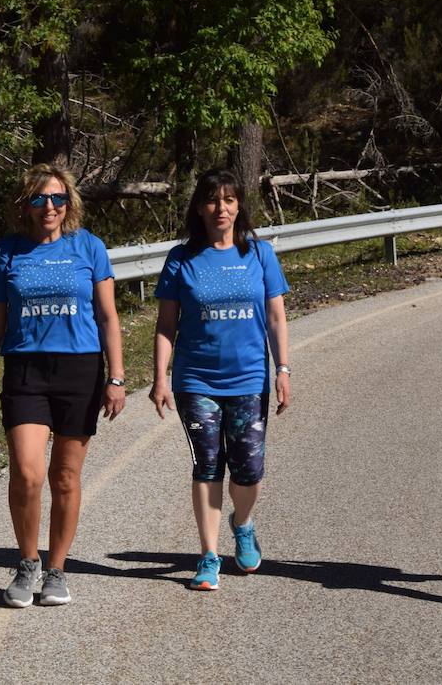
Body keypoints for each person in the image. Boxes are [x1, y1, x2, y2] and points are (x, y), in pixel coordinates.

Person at [0, 163, 126, 608]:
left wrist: (116, 377)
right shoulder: (7, 252)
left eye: (58, 198)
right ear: (25, 205)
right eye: (40, 198)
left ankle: (56, 569)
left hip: (80, 370)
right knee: (26, 472)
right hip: (25, 371)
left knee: (65, 476)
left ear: (69, 204)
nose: (50, 207)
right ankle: (27, 562)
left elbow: (107, 317)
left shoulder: (89, 247)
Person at [151, 168, 291, 591]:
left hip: (249, 378)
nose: (221, 208)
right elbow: (165, 324)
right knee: (207, 464)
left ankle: (242, 524)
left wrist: (282, 369)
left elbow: (275, 316)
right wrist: (160, 377)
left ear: (239, 206)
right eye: (213, 200)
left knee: (248, 468)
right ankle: (209, 555)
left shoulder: (259, 253)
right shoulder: (181, 259)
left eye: (229, 200)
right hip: (195, 381)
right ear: (199, 207)